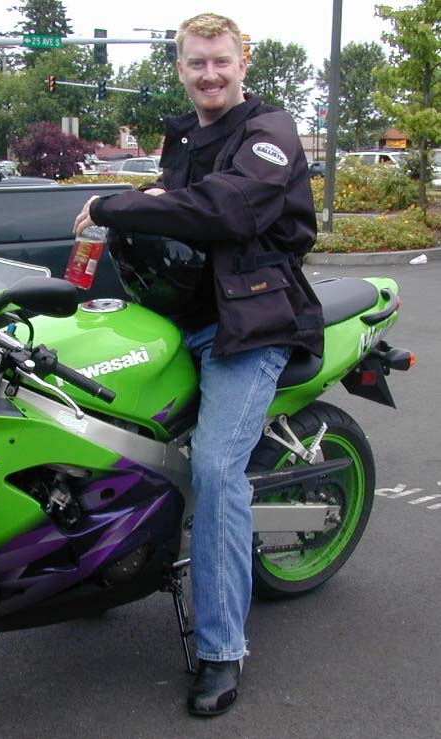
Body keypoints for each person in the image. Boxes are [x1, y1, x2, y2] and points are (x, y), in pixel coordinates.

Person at [73, 12, 324, 717]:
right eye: (195, 63)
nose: (209, 74)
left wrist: (119, 206)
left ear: (243, 62)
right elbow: (177, 200)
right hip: (172, 314)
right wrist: (146, 199)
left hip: (247, 322)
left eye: (220, 61)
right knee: (93, 417)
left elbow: (230, 207)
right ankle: (100, 565)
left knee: (215, 470)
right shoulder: (184, 134)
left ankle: (221, 648)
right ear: (180, 68)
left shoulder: (270, 130)